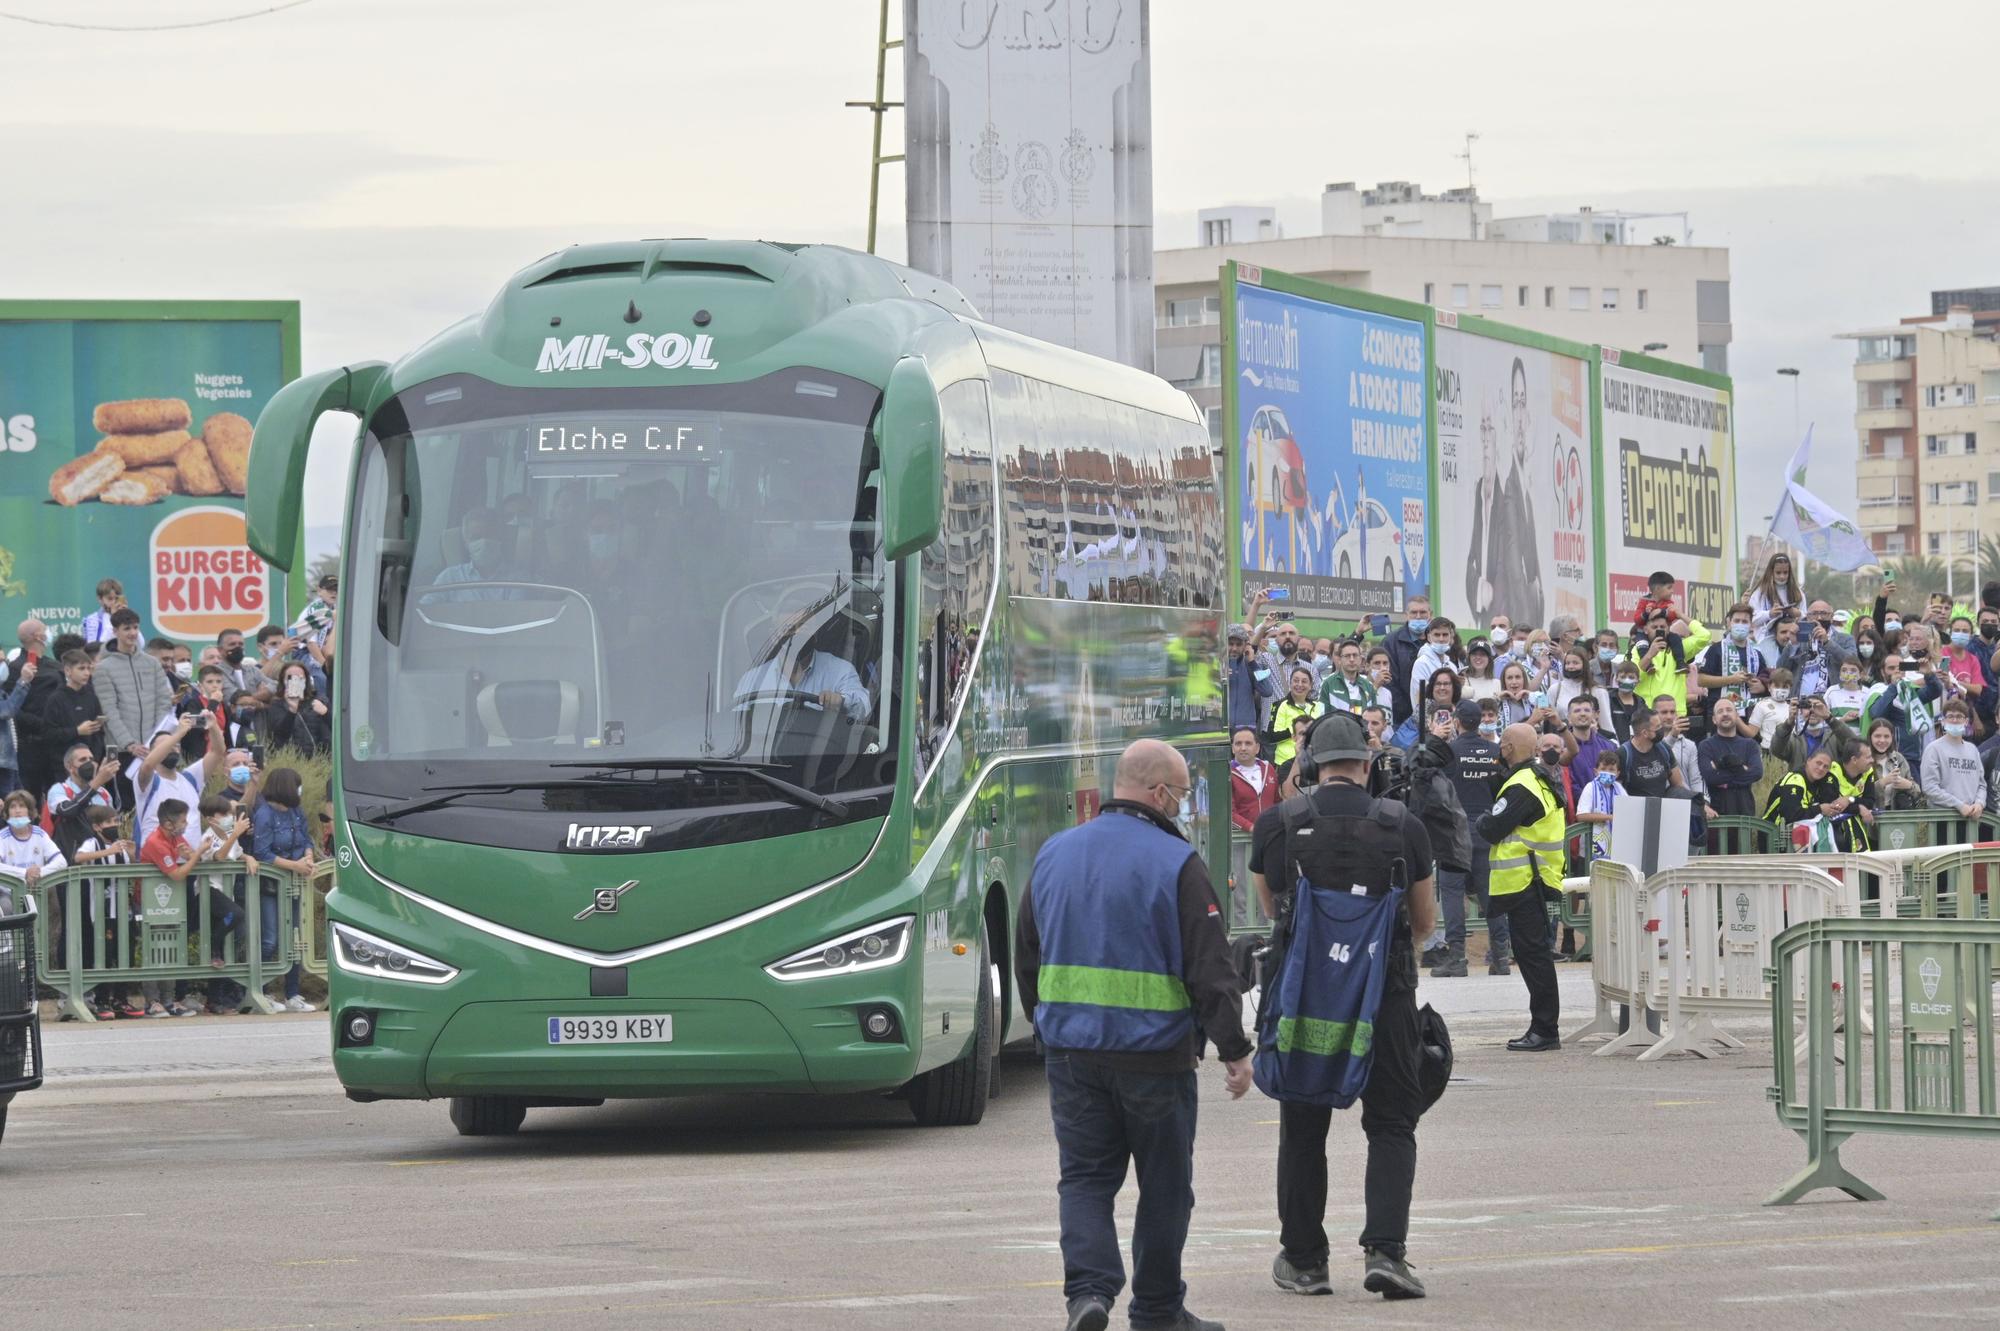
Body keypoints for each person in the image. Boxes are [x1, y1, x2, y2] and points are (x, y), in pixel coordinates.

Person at [1014, 739, 1250, 1331]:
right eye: (1182, 791)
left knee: (1086, 1180)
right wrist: (1235, 1048)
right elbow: (1211, 967)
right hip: (1154, 1058)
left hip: (1072, 1054)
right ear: (1157, 792)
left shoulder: (1054, 854)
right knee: (1166, 1188)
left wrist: (1047, 1025)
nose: (1184, 802)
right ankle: (1158, 1311)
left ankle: (1088, 1295)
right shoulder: (1177, 863)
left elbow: (1026, 953)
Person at [1247, 711, 1436, 1302]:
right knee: (1391, 1123)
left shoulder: (1278, 823)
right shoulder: (1402, 825)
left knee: (1303, 1124)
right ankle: (1386, 1254)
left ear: (1310, 766)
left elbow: (1271, 909)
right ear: (1367, 763)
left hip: (1306, 998)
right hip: (1386, 995)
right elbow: (1425, 924)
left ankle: (1305, 1261)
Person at [1474, 723, 1564, 1051]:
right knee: (1533, 954)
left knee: (1534, 955)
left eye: (1503, 743)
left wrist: (1486, 815)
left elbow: (1491, 828)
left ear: (1509, 747)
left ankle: (1545, 1030)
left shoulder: (1522, 785)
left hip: (1527, 881)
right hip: (1536, 880)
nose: (1499, 748)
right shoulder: (1536, 778)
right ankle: (1543, 1027)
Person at [1437, 698, 1507, 977]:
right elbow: (1503, 789)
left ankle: (1456, 958)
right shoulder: (1495, 751)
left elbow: (1437, 790)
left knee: (1452, 894)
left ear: (1456, 722)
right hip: (1486, 829)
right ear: (1480, 721)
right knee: (1492, 895)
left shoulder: (1448, 752)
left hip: (1455, 831)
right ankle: (1500, 957)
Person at [250, 767, 317, 1013]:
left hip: (294, 883)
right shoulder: (265, 814)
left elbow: (306, 838)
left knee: (295, 938)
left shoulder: (296, 811)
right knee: (270, 939)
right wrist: (294, 865)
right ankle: (263, 991)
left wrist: (308, 857)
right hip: (271, 885)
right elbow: (263, 852)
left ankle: (292, 994)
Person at [92, 607, 174, 787]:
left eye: (135, 628)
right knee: (126, 805)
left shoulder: (152, 663)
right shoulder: (103, 668)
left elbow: (163, 702)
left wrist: (156, 738)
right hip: (122, 751)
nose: (132, 633)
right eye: (127, 628)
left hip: (152, 748)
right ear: (115, 631)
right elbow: (109, 711)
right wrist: (129, 744)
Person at [132, 713, 208, 846]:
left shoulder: (190, 778)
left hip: (191, 859)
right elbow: (149, 764)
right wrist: (177, 735)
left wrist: (212, 727)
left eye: (176, 745)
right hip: (155, 861)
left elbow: (217, 753)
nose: (172, 748)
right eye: (166, 745)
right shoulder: (148, 780)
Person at [1920, 699, 1987, 832]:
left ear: (1966, 721)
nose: (1955, 720)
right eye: (1950, 716)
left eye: (1959, 717)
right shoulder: (1933, 749)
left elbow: (1981, 784)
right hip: (1944, 820)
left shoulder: (1973, 749)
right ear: (1943, 721)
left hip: (1971, 820)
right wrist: (1959, 805)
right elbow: (1929, 787)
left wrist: (1979, 803)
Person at [1697, 603, 1768, 718]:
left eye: (1744, 622)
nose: (1740, 624)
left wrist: (1762, 687)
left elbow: (1765, 678)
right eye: (1737, 621)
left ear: (1751, 625)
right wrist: (1731, 679)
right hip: (1720, 713)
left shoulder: (1756, 654)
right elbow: (1701, 680)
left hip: (1749, 714)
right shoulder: (1716, 649)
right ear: (1729, 623)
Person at [0, 788, 65, 913]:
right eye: (13, 807)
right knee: (5, 906)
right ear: (7, 812)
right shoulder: (2, 837)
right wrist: (24, 873)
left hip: (36, 888)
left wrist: (39, 873)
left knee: (52, 895)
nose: (17, 810)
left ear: (30, 811)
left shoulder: (39, 834)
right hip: (8, 893)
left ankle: (50, 933)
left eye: (22, 806)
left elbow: (61, 862)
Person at [1697, 698, 1763, 818]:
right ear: (1714, 719)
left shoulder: (1750, 744)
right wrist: (1741, 768)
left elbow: (1757, 773)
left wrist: (1721, 772)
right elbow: (1710, 777)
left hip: (1745, 812)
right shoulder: (1706, 745)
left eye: (1729, 710)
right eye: (1720, 711)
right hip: (1716, 813)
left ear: (1737, 716)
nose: (1725, 714)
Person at [266, 661, 332, 758]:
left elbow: (336, 729)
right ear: (283, 681)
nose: (295, 681)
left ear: (306, 680)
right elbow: (278, 735)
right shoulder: (277, 705)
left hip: (319, 760)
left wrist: (326, 713)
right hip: (290, 760)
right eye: (290, 678)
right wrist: (291, 711)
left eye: (300, 678)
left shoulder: (320, 701)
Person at [1383, 596, 1431, 731]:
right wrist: (1411, 713)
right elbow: (1389, 681)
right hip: (1401, 719)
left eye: (1423, 613)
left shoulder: (1437, 641)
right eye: (1414, 613)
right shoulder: (1391, 642)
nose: (1418, 616)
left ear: (1430, 615)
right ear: (1406, 615)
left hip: (1433, 717)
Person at [1264, 666, 1322, 769]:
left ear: (1310, 685)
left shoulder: (1317, 706)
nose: (1299, 684)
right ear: (1290, 683)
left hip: (1312, 761)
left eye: (1304, 681)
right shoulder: (1280, 705)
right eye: (1296, 681)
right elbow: (1271, 736)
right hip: (1285, 762)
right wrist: (1296, 730)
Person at [1405, 617, 1464, 715]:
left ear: (1450, 637)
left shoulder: (1452, 666)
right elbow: (1420, 699)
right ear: (1429, 637)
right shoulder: (1421, 663)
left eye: (1445, 635)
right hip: (1428, 721)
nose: (1441, 639)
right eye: (1437, 635)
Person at [1224, 625, 1275, 736]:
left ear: (1245, 645)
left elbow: (1267, 691)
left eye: (1238, 644)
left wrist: (1252, 662)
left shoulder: (1250, 665)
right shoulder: (1215, 665)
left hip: (1245, 732)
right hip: (1220, 730)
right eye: (1230, 644)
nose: (1234, 648)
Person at [1574, 746, 1624, 859]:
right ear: (1596, 771)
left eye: (1611, 769)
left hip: (1615, 848)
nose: (1607, 772)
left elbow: (1627, 810)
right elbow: (1581, 816)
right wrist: (1609, 817)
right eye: (1603, 768)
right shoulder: (1590, 787)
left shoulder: (1619, 788)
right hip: (1590, 850)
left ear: (1618, 773)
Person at [1746, 552, 1801, 652]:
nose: (1782, 576)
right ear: (1771, 572)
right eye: (1778, 573)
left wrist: (1798, 614)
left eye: (1785, 573)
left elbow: (1806, 616)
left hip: (1793, 643)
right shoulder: (1760, 593)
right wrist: (1769, 614)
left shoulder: (1797, 592)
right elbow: (1751, 618)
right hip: (1766, 644)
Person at [1228, 726, 1278, 833]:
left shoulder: (1268, 768)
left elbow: (1278, 803)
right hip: (1240, 838)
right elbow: (1228, 813)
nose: (1243, 748)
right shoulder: (1226, 773)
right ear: (1232, 748)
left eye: (1248, 743)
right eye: (1238, 744)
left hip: (1270, 835)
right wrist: (1252, 828)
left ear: (1257, 748)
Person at [0, 651, 35, 794]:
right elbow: (6, 711)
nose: (4, 665)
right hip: (3, 764)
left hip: (8, 762)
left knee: (20, 802)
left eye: (4, 661)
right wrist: (23, 681)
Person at [1319, 638, 1383, 716]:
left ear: (1360, 659)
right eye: (1347, 656)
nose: (1352, 659)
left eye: (1355, 655)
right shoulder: (1328, 684)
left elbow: (1373, 717)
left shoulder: (1368, 686)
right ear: (1340, 659)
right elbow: (1322, 717)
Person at [1868, 718, 1920, 811]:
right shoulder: (1864, 759)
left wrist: (1909, 785)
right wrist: (1883, 782)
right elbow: (1857, 793)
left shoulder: (1898, 758)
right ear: (1870, 737)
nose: (1882, 740)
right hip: (1872, 816)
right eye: (1877, 736)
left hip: (1896, 817)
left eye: (1886, 736)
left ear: (1892, 737)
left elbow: (1918, 792)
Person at [80, 578, 128, 646]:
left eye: (117, 598)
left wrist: (126, 617)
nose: (114, 602)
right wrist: (113, 618)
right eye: (110, 599)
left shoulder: (126, 617)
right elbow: (96, 647)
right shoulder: (90, 620)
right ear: (100, 599)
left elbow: (140, 643)